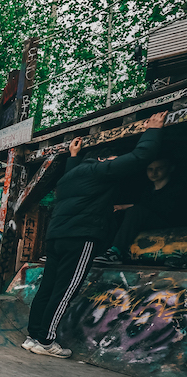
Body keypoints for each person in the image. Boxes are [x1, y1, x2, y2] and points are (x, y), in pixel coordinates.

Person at [23, 111, 165, 358]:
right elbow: (139, 157)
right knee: (65, 290)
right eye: (111, 159)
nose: (113, 163)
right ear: (102, 159)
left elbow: (76, 175)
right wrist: (153, 130)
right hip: (80, 237)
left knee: (47, 288)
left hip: (57, 236)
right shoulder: (100, 170)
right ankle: (46, 341)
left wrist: (73, 157)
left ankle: (33, 336)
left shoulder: (71, 176)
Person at [94, 156, 187, 264]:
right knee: (118, 213)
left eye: (159, 168)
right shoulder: (148, 190)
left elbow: (166, 211)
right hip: (148, 223)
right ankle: (103, 251)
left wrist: (129, 206)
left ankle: (116, 252)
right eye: (150, 169)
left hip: (169, 224)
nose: (154, 172)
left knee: (135, 211)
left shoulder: (178, 189)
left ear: (170, 168)